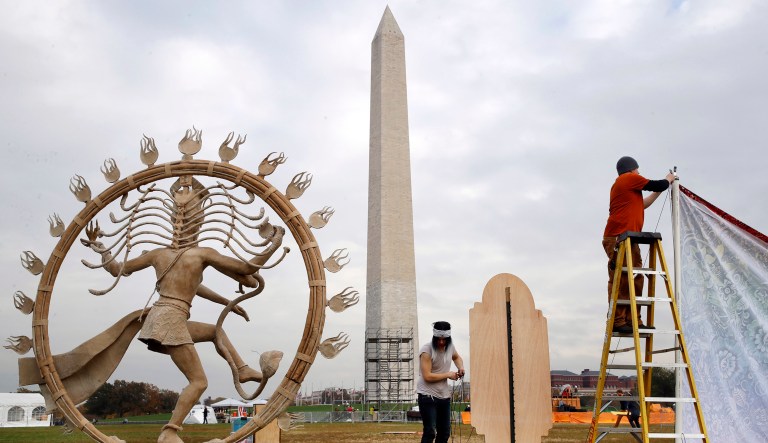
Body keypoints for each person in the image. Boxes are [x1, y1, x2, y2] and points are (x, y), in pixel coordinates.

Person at [603, 156, 675, 333]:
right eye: (638, 169)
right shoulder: (627, 179)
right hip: (619, 238)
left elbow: (644, 204)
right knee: (622, 278)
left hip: (627, 238)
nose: (639, 172)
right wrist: (669, 179)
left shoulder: (627, 188)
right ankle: (618, 320)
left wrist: (660, 191)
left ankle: (633, 319)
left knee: (635, 275)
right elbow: (657, 184)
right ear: (631, 169)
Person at [416, 321, 465, 443]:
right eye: (438, 339)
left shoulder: (450, 348)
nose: (441, 342)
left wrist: (461, 367)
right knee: (430, 431)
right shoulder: (426, 351)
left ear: (449, 338)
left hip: (444, 396)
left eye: (445, 339)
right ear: (434, 337)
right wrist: (448, 374)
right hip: (427, 395)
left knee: (444, 432)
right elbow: (427, 376)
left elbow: (457, 357)